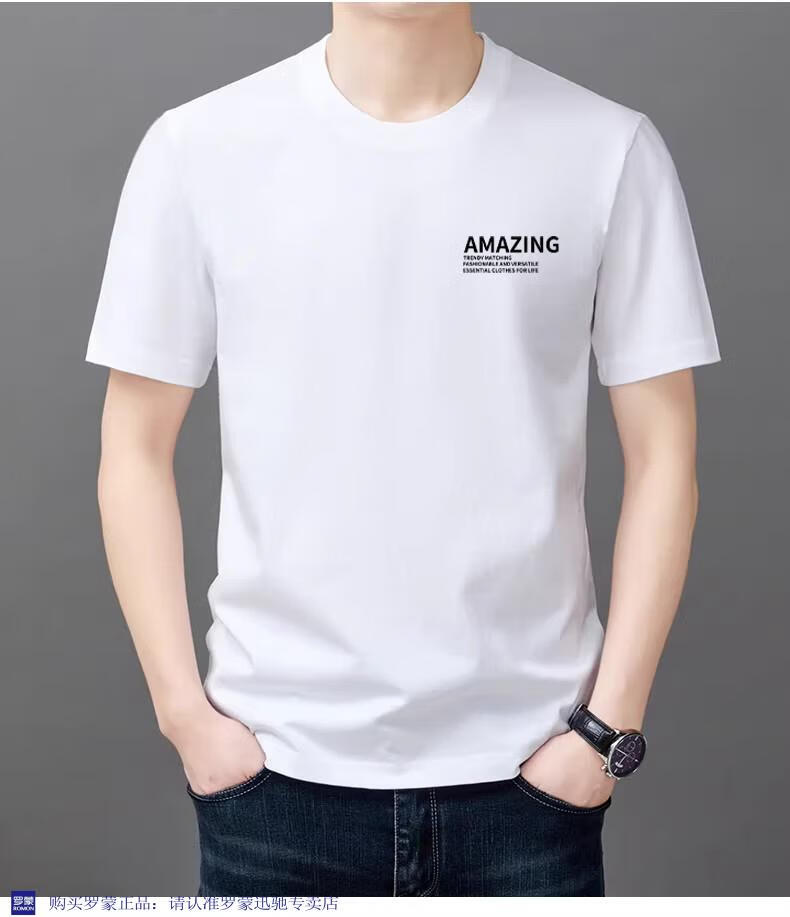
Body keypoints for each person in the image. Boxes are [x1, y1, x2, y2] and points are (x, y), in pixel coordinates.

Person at [85, 1, 721, 898]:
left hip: (531, 783)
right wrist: (184, 715)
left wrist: (604, 731)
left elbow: (665, 458)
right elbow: (133, 449)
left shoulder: (605, 149)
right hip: (273, 779)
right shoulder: (198, 149)